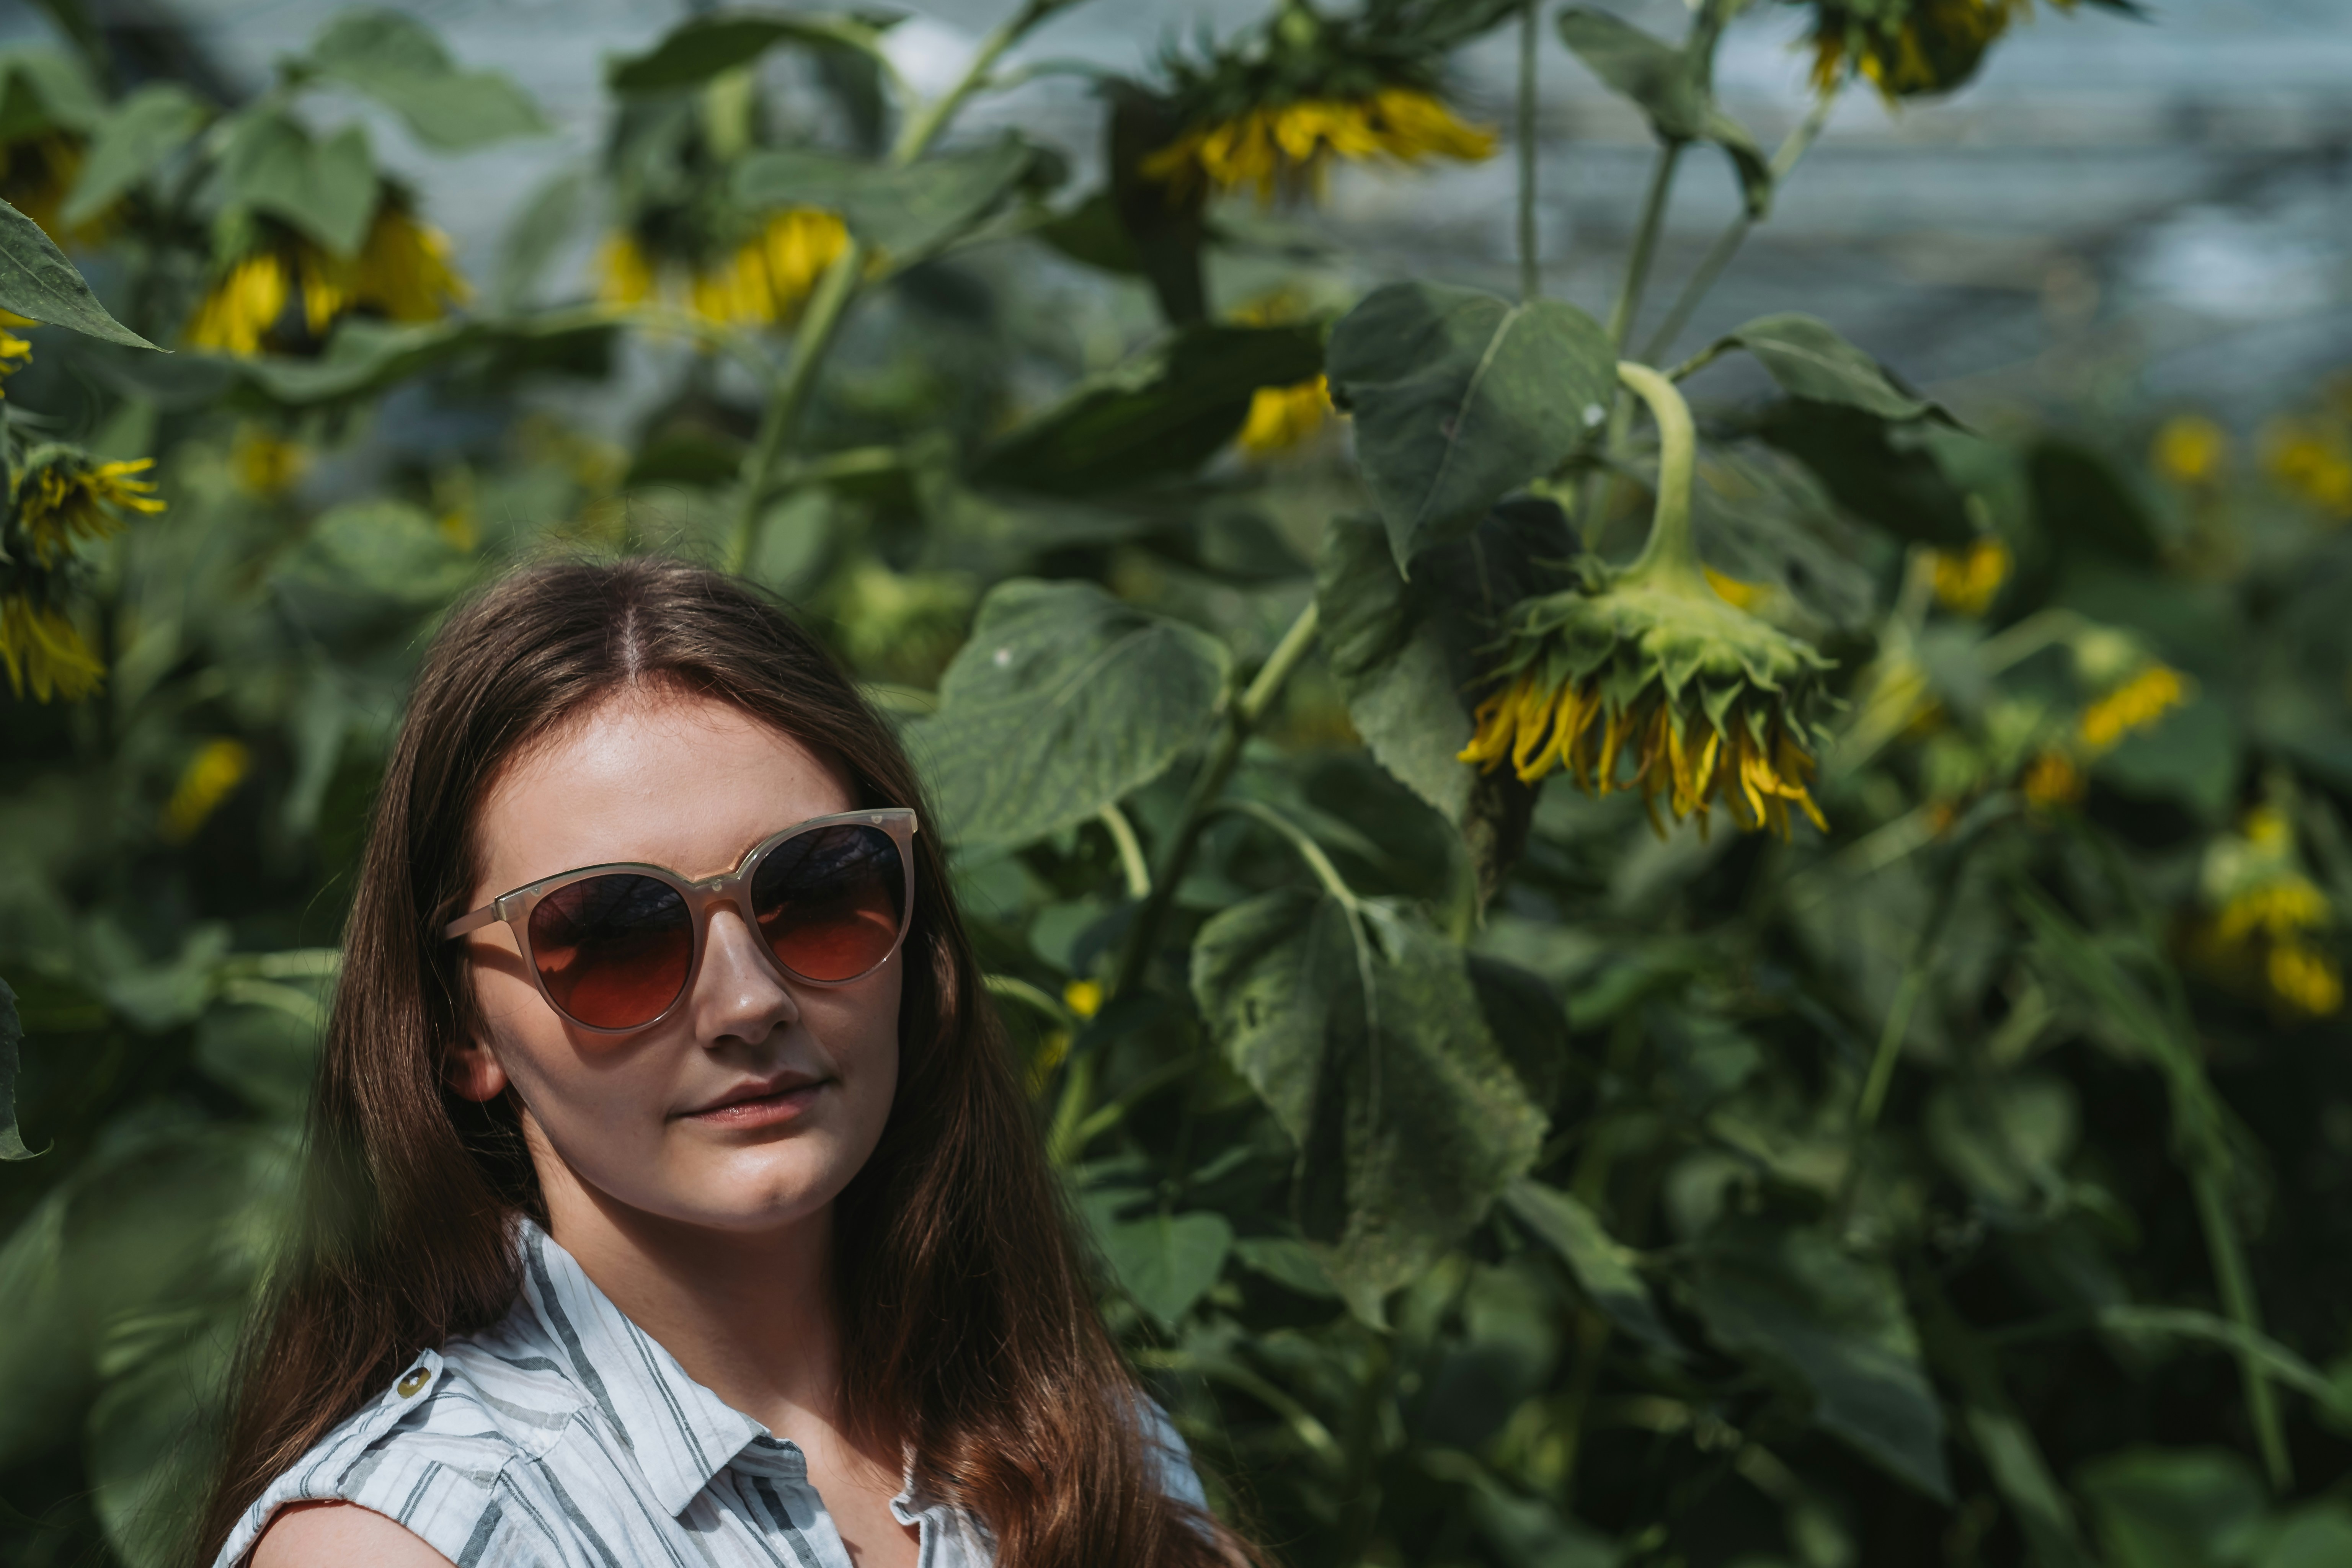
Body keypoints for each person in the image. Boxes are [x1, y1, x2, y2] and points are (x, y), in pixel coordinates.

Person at [191, 557, 1257, 1568]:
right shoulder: (412, 1539)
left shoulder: (1091, 1450)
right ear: (456, 1032)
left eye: (820, 888)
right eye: (613, 932)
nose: (748, 1002)